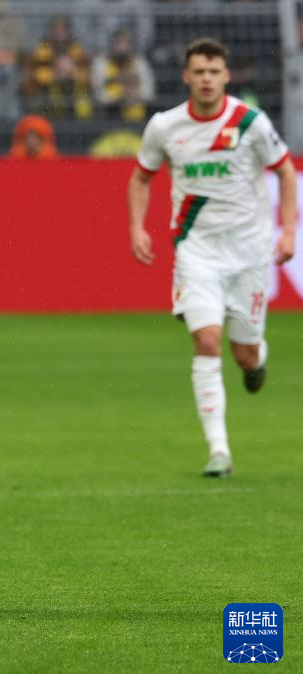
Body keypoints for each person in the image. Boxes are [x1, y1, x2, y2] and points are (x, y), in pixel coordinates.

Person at [127, 37, 296, 478]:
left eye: (214, 72)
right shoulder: (165, 126)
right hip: (196, 252)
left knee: (244, 355)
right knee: (206, 341)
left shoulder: (250, 122)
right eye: (199, 72)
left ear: (226, 76)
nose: (206, 79)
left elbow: (284, 170)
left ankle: (257, 358)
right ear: (187, 76)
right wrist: (137, 227)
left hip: (248, 254)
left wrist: (288, 231)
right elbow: (141, 177)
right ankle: (219, 451)